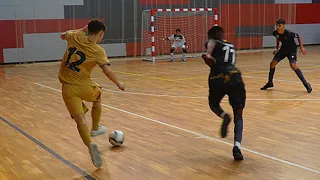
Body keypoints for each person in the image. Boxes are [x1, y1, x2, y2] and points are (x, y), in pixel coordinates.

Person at [58, 19, 125, 168]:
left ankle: (90, 145)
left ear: (88, 30)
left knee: (80, 120)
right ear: (100, 33)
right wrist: (118, 83)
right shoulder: (98, 50)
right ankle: (95, 128)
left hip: (67, 88)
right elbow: (106, 70)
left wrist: (80, 30)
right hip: (84, 86)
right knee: (98, 96)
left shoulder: (76, 36)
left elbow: (62, 35)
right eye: (102, 35)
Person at [202, 25, 245, 161]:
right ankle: (237, 146)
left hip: (218, 78)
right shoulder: (230, 44)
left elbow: (209, 55)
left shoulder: (212, 42)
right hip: (236, 76)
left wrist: (206, 56)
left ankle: (224, 115)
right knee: (239, 114)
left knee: (213, 103)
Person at [260, 19, 312, 93]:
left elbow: (298, 37)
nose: (277, 27)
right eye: (276, 25)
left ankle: (306, 84)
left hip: (291, 50)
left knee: (293, 65)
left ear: (283, 26)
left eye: (279, 25)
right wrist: (277, 48)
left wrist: (302, 47)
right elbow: (278, 39)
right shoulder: (275, 33)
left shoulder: (289, 33)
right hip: (283, 50)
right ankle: (270, 83)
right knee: (272, 64)